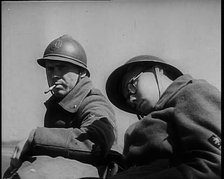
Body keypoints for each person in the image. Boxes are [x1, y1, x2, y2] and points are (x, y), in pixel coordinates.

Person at [4, 35, 118, 179]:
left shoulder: (93, 102)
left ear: (81, 72)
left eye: (62, 68)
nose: (55, 75)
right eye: (50, 69)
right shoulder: (58, 104)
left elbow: (95, 142)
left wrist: (34, 137)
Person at [105, 55, 221, 179]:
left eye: (131, 86)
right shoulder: (156, 117)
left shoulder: (192, 93)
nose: (131, 99)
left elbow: (214, 165)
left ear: (158, 70)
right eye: (127, 99)